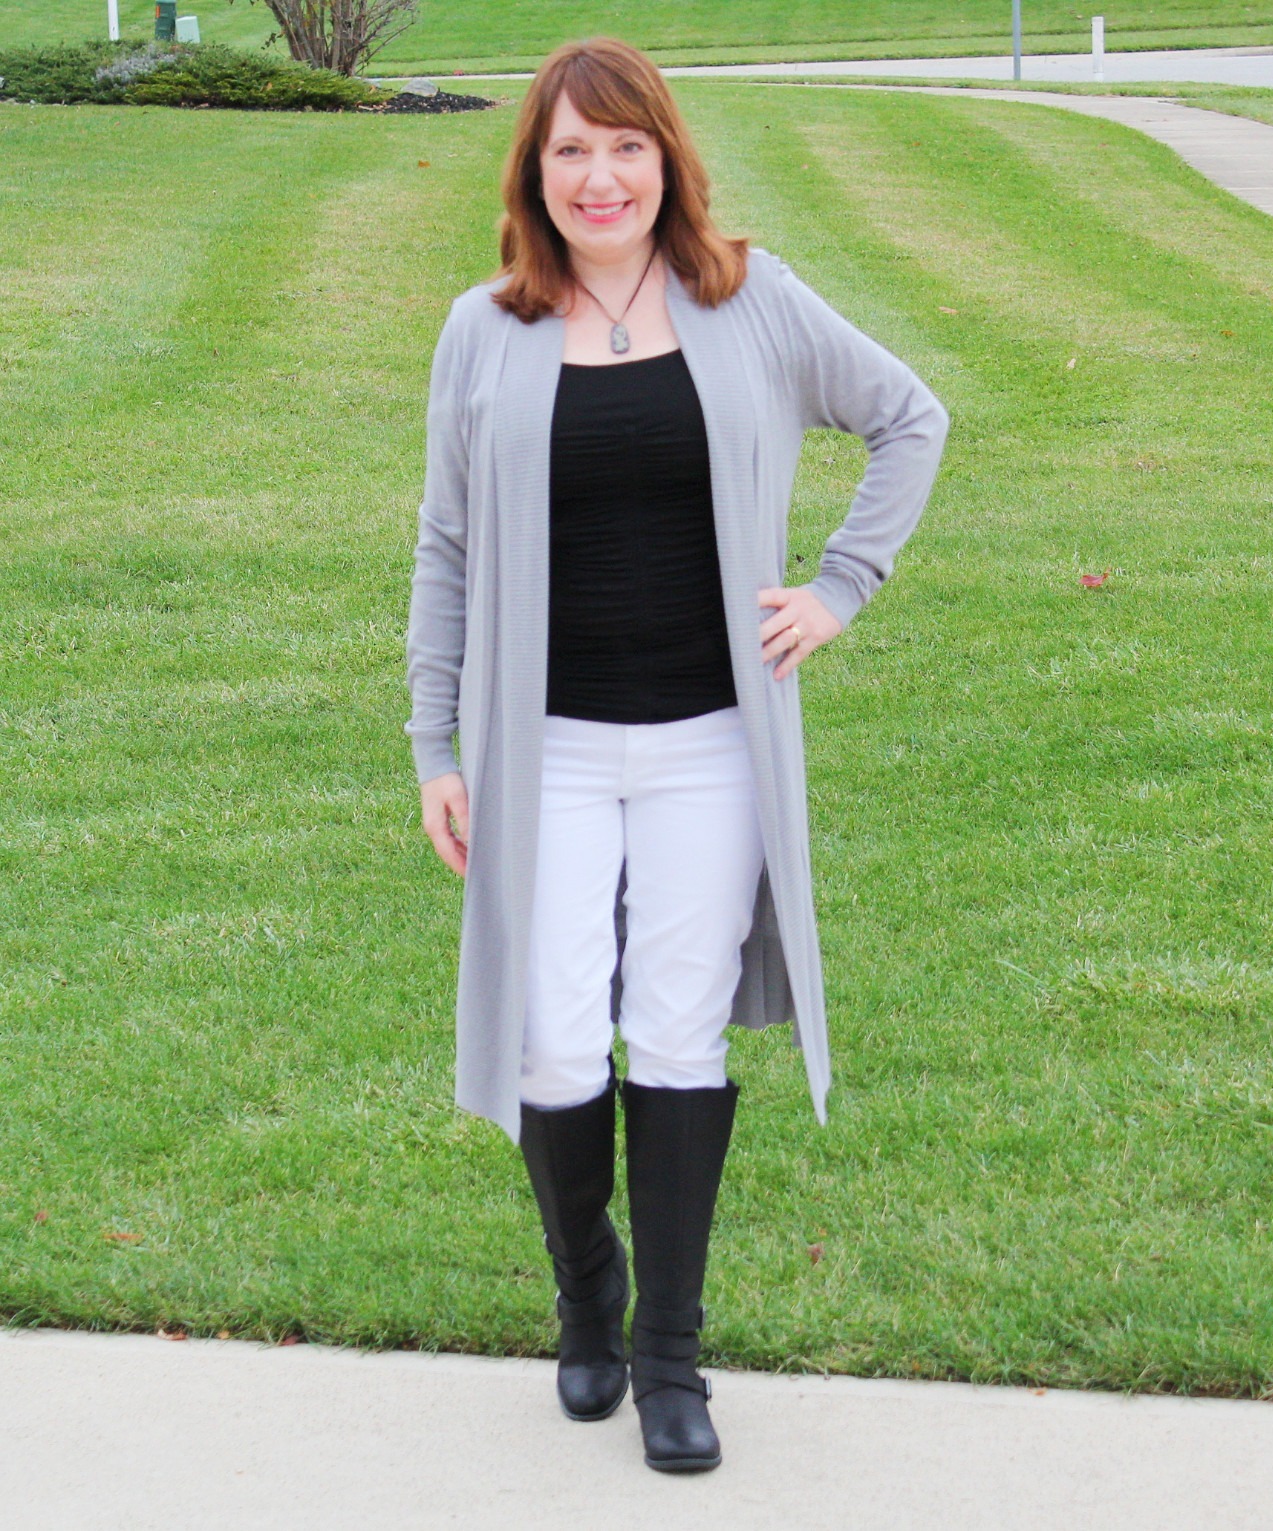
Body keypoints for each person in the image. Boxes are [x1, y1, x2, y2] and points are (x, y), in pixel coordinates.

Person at [405, 35, 949, 1474]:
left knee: (679, 1030)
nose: (599, 176)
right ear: (534, 170)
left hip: (714, 744)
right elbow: (446, 547)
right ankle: (587, 1303)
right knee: (554, 1037)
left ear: (667, 160)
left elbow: (909, 416)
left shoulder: (746, 298)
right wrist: (432, 743)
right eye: (569, 150)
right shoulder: (487, 326)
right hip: (548, 753)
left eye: (625, 147)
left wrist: (837, 589)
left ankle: (668, 1359)